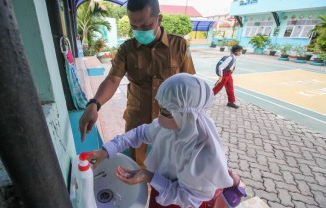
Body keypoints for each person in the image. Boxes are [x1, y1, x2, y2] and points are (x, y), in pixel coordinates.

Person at [88, 74, 240, 208]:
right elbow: (139, 133)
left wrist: (149, 176)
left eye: (166, 111)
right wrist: (107, 150)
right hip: (160, 191)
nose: (159, 115)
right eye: (161, 107)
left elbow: (188, 199)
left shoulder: (203, 153)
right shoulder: (171, 127)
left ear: (186, 116)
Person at [79, 0, 195, 167]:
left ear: (159, 20)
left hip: (171, 120)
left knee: (170, 166)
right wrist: (94, 104)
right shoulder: (127, 49)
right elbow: (113, 79)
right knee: (135, 166)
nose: (141, 31)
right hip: (137, 119)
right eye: (135, 26)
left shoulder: (179, 45)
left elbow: (189, 84)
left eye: (147, 25)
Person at [213, 45, 243, 109]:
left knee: (230, 88)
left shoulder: (234, 57)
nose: (241, 52)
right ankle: (205, 99)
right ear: (236, 51)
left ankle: (231, 102)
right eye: (240, 51)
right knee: (217, 88)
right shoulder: (230, 58)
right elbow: (220, 67)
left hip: (229, 75)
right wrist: (221, 76)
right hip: (225, 75)